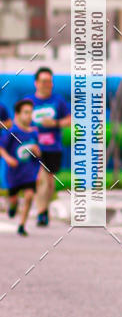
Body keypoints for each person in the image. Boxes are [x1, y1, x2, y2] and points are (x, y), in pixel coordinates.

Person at [27, 67, 71, 226]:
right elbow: (20, 122)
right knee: (40, 179)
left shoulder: (58, 101)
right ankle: (41, 213)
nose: (47, 84)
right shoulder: (29, 101)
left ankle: (44, 208)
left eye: (50, 81)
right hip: (34, 146)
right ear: (36, 83)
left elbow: (70, 120)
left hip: (53, 147)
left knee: (50, 182)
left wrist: (56, 123)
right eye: (44, 81)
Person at [0, 99, 41, 236]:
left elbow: (38, 155)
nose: (29, 116)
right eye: (25, 113)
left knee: (29, 196)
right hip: (14, 173)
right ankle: (13, 206)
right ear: (17, 114)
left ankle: (22, 225)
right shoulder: (12, 132)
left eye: (31, 113)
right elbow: (2, 148)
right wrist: (8, 158)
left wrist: (37, 152)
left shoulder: (34, 133)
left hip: (29, 172)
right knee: (14, 199)